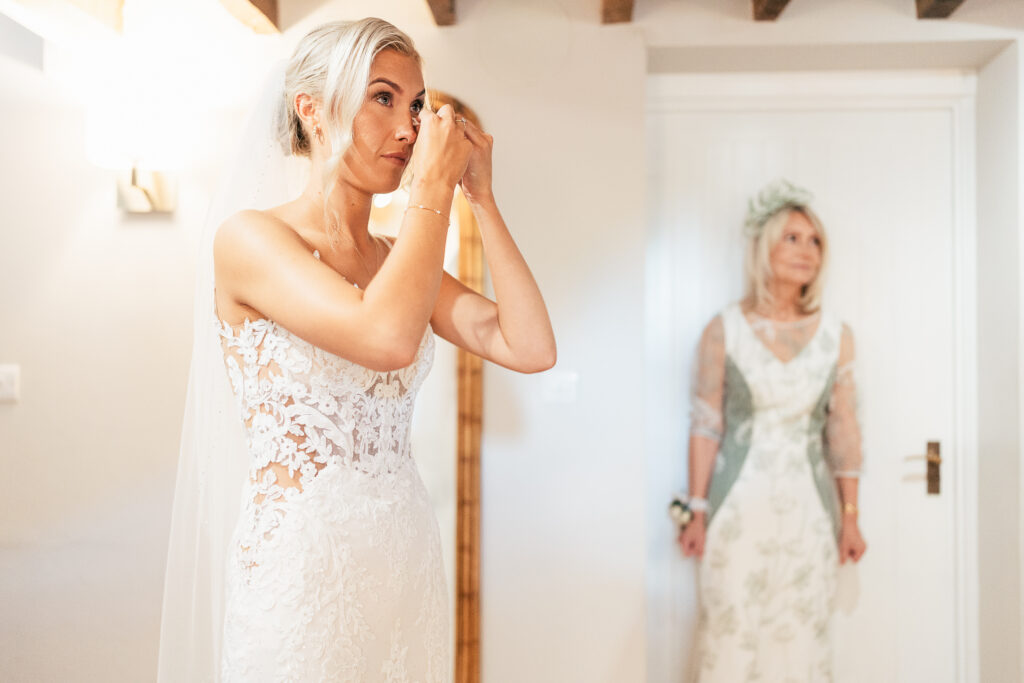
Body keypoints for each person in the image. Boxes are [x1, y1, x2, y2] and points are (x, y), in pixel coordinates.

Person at [157, 18, 555, 682]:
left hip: (403, 564)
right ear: (310, 110)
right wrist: (431, 188)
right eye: (383, 97)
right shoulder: (250, 240)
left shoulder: (399, 259)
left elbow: (530, 345)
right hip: (301, 575)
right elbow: (386, 338)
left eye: (417, 105)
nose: (408, 128)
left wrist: (481, 199)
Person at [677, 180, 866, 682]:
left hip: (809, 513)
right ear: (764, 248)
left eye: (816, 241)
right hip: (738, 510)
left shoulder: (837, 336)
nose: (807, 251)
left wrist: (850, 516)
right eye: (793, 238)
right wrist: (696, 511)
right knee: (732, 632)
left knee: (803, 636)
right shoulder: (724, 329)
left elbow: (844, 431)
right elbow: (705, 424)